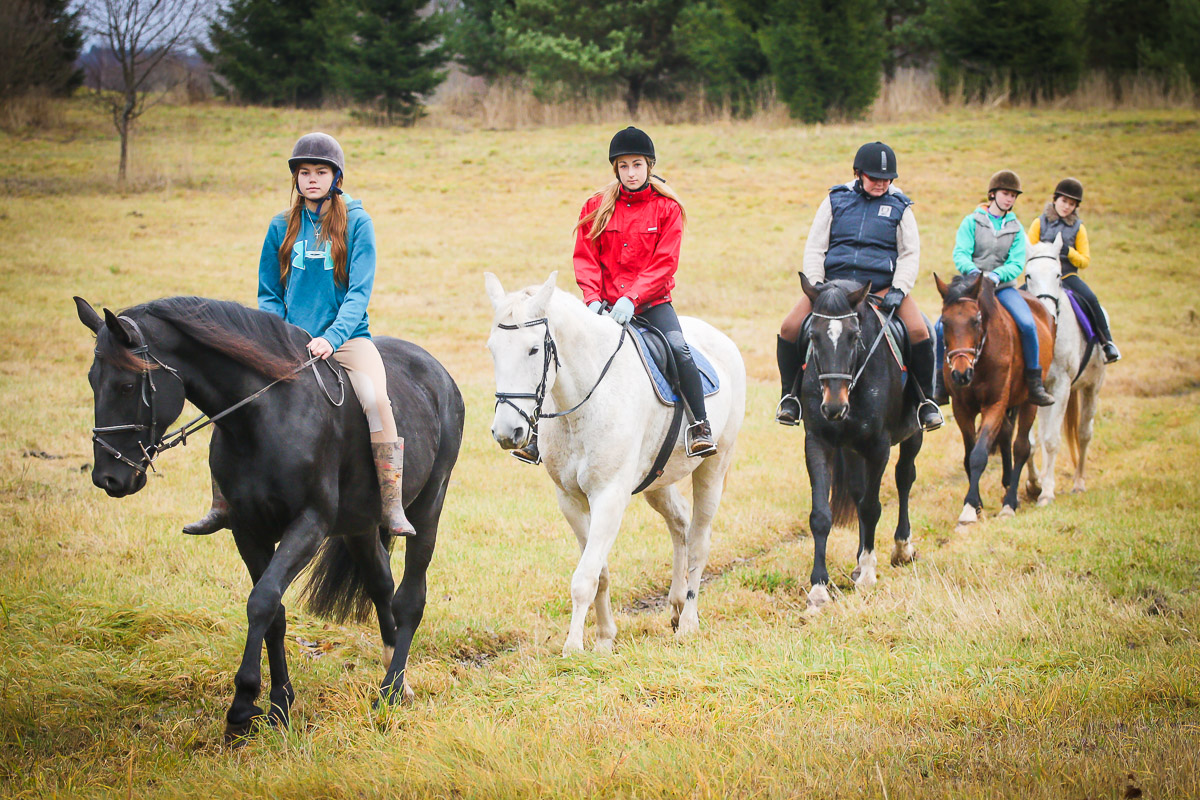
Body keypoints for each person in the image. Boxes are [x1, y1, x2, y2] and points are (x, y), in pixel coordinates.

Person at [184, 132, 415, 537]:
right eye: (304, 172)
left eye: (320, 172)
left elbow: (359, 292)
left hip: (348, 341)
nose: (311, 179)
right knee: (233, 396)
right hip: (287, 342)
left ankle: (392, 505)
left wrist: (333, 336)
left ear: (336, 177)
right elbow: (269, 291)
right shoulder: (280, 226)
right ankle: (221, 502)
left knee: (377, 401)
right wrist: (276, 335)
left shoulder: (359, 223)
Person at [510, 126, 717, 464]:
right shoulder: (595, 206)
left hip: (651, 304)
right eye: (623, 166)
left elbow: (665, 263)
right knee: (553, 352)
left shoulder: (668, 209)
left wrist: (633, 298)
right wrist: (592, 299)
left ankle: (699, 425)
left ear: (649, 166)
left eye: (637, 165)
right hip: (600, 305)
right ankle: (536, 436)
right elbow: (585, 258)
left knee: (678, 348)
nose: (630, 173)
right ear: (615, 169)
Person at [775, 141, 943, 431]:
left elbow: (909, 253)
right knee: (790, 327)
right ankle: (790, 397)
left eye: (886, 178)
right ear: (858, 173)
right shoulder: (834, 200)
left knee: (919, 331)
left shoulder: (900, 207)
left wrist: (899, 290)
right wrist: (816, 287)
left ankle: (924, 402)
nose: (881, 183)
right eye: (874, 177)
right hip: (833, 290)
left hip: (878, 288)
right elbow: (816, 247)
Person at [942, 169, 1054, 406]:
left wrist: (996, 275)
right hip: (971, 287)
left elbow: (1016, 263)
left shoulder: (1016, 229)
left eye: (1013, 196)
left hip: (1002, 287)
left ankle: (1034, 383)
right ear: (992, 194)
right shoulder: (971, 222)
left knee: (1027, 324)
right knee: (939, 327)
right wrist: (974, 273)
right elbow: (960, 252)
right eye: (1005, 193)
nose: (1009, 199)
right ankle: (938, 384)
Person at [1027, 177, 1120, 363]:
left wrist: (1068, 252)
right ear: (1055, 200)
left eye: (1071, 204)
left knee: (1092, 300)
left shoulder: (1079, 228)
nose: (1066, 206)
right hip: (1043, 276)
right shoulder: (1039, 222)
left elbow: (1085, 260)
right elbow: (1028, 248)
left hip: (1067, 275)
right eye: (1063, 201)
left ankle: (1106, 343)